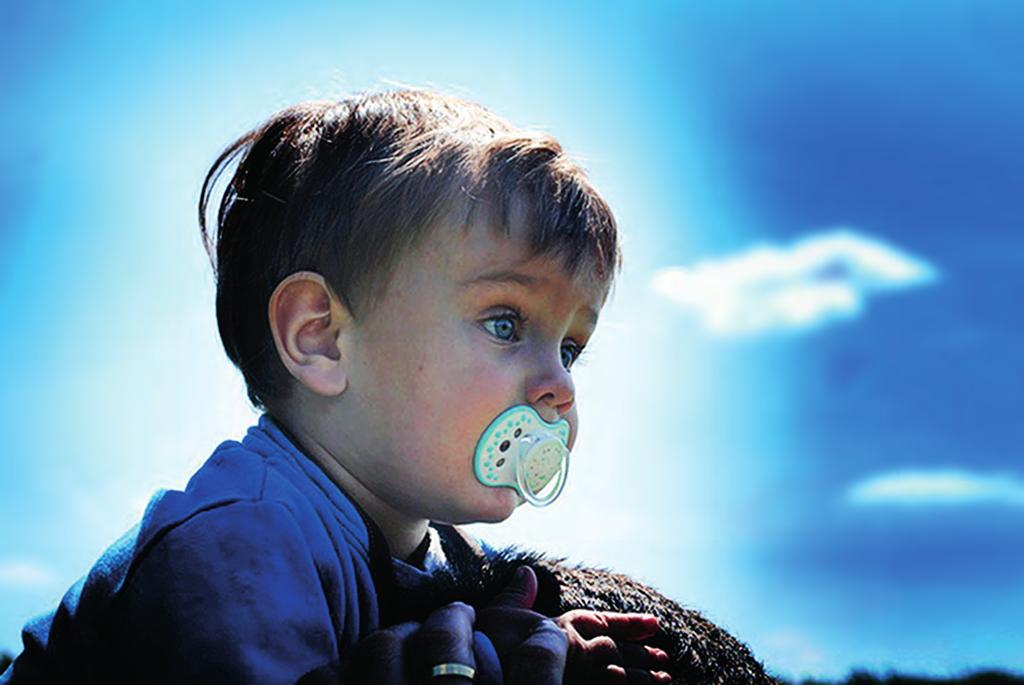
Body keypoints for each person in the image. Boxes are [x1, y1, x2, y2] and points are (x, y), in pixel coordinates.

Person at [0, 89, 670, 684]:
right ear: (320, 338)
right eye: (505, 321)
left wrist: (543, 640)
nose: (559, 384)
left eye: (571, 348)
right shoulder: (237, 545)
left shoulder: (451, 553)